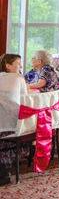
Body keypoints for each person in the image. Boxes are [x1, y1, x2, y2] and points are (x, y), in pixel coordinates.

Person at [0, 54, 28, 185]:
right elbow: (25, 100)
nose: (21, 66)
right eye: (18, 63)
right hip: (12, 123)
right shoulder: (18, 77)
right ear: (8, 66)